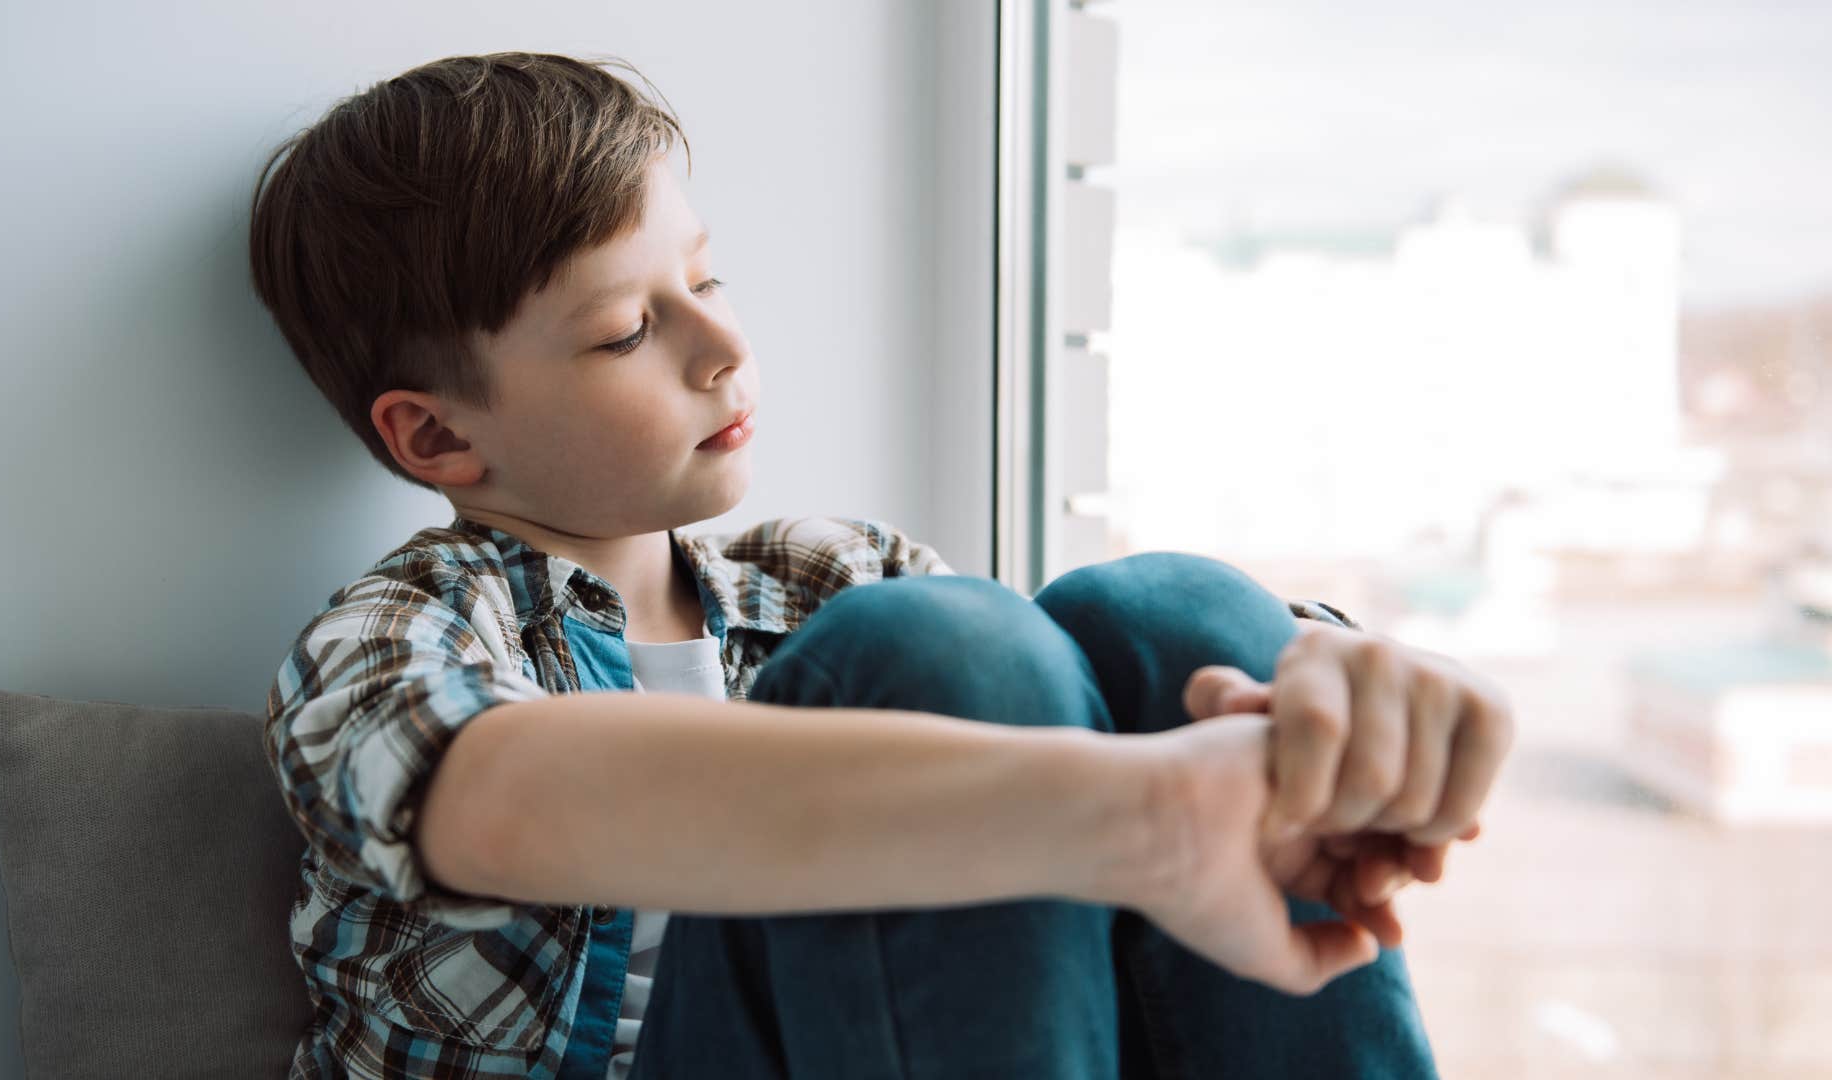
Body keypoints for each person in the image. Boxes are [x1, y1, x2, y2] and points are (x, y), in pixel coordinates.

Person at [251, 51, 1515, 1079]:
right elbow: (497, 798)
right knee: (932, 651)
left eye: (706, 278)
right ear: (438, 434)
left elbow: (1095, 684)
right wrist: (1137, 812)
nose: (722, 345)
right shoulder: (391, 637)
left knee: (1166, 614)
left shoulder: (831, 577)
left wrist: (1343, 695)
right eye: (628, 329)